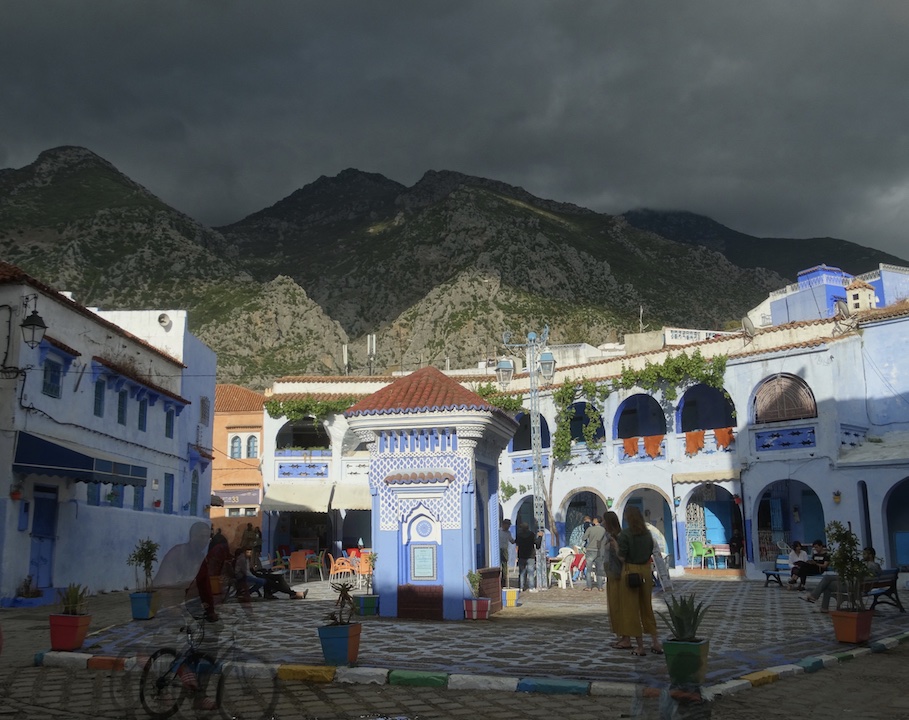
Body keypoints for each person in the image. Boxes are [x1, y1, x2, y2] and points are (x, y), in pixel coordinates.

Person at [613, 506, 663, 656]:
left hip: (630, 571)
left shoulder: (625, 535)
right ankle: (655, 642)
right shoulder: (648, 535)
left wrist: (615, 547)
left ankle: (640, 646)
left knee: (631, 609)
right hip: (645, 571)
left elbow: (622, 557)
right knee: (646, 607)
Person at [801, 546, 881, 612]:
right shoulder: (876, 565)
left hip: (853, 585)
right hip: (857, 584)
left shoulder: (868, 565)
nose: (863, 556)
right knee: (827, 579)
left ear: (870, 555)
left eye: (864, 554)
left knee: (827, 582)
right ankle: (820, 604)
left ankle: (815, 598)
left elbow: (859, 576)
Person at [602, 511, 624, 644]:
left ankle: (623, 635)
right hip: (611, 574)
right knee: (613, 606)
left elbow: (620, 555)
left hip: (617, 574)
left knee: (618, 606)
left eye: (604, 521)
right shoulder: (608, 536)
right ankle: (619, 634)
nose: (603, 523)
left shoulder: (617, 537)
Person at [515, 522, 544, 592]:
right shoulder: (531, 535)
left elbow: (516, 544)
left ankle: (521, 587)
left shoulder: (518, 535)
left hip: (521, 556)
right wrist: (540, 537)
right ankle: (531, 587)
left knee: (522, 573)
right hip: (530, 556)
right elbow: (537, 545)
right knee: (531, 573)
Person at [582, 515, 607, 591]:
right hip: (599, 551)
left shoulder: (590, 529)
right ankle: (600, 587)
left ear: (596, 520)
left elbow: (584, 538)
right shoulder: (603, 530)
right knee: (599, 570)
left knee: (589, 570)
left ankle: (589, 587)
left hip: (590, 550)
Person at [499, 519, 515, 586]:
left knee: (505, 565)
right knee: (498, 565)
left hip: (505, 549)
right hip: (498, 549)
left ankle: (504, 580)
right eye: (507, 525)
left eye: (509, 525)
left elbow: (511, 540)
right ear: (503, 524)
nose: (508, 526)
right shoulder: (498, 531)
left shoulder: (508, 533)